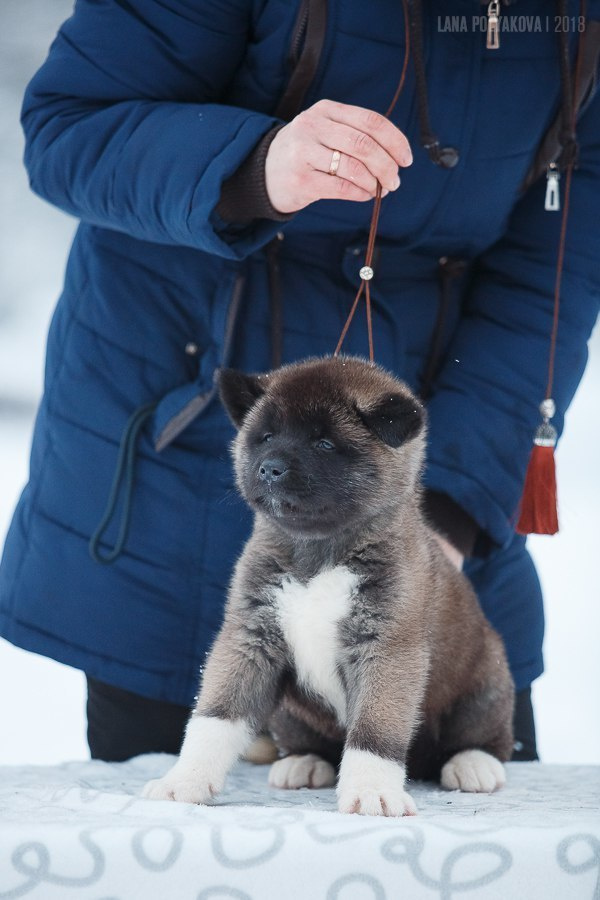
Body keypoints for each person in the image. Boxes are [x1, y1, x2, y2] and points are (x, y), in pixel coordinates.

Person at [1, 0, 598, 765]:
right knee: (174, 856)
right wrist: (252, 167)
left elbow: (556, 260)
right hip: (171, 483)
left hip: (418, 478)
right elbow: (68, 128)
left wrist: (450, 501)